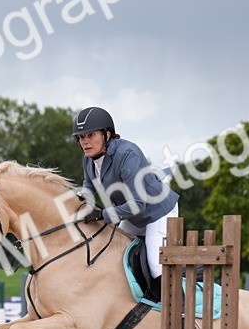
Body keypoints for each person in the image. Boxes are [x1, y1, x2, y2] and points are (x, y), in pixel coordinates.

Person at [73, 106, 179, 302]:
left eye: (90, 135)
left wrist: (102, 215)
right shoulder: (89, 160)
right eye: (81, 137)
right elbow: (88, 186)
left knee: (156, 266)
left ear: (107, 135)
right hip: (132, 213)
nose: (85, 141)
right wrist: (78, 204)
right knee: (113, 254)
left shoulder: (128, 154)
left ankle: (180, 310)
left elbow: (138, 204)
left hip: (158, 211)